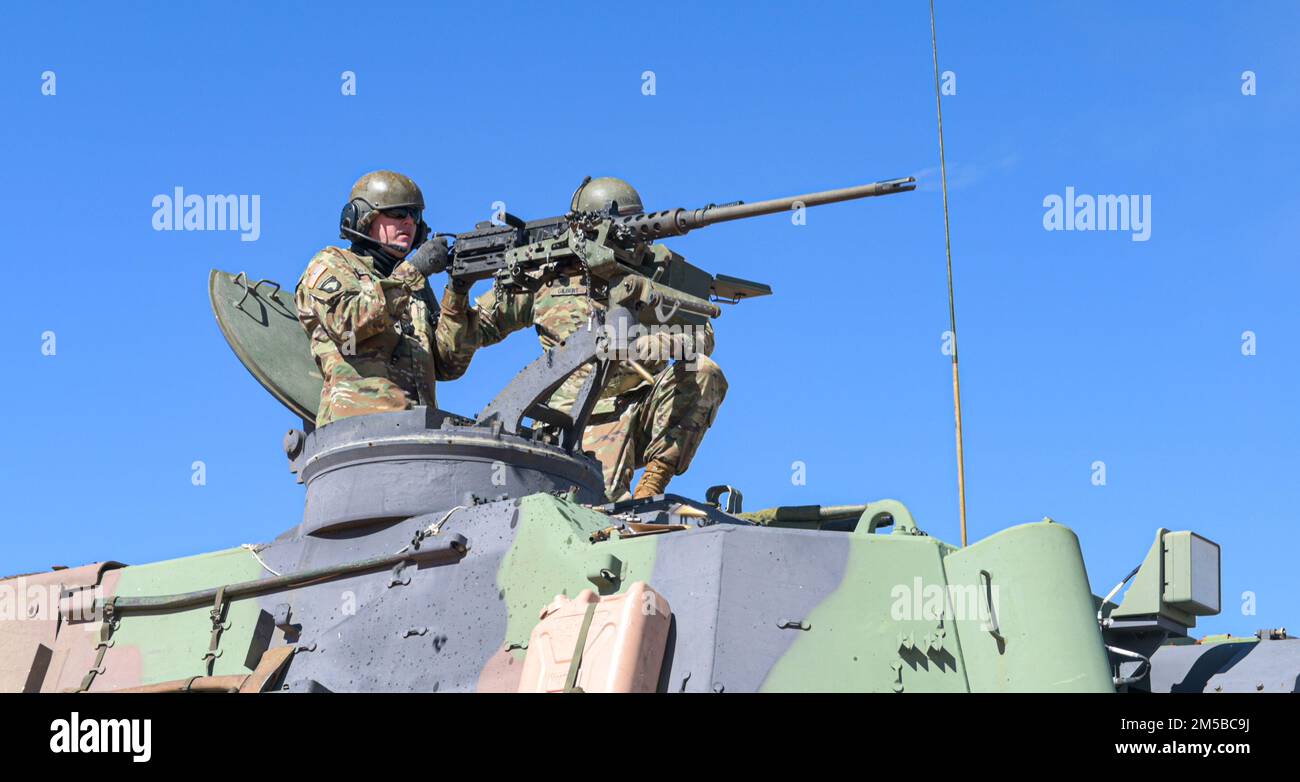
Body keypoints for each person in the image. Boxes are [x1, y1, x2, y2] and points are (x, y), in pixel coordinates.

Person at [470, 177, 728, 501]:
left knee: (702, 371)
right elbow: (473, 329)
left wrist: (664, 342)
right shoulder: (547, 277)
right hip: (574, 420)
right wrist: (455, 292)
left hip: (636, 405)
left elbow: (703, 333)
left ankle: (653, 484)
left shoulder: (652, 272)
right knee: (594, 512)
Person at [295, 170, 476, 427]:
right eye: (398, 214)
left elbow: (448, 365)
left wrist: (458, 292)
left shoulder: (412, 285)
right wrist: (413, 272)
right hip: (357, 438)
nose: (409, 223)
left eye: (415, 216)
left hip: (419, 437)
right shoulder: (331, 263)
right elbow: (347, 324)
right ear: (363, 218)